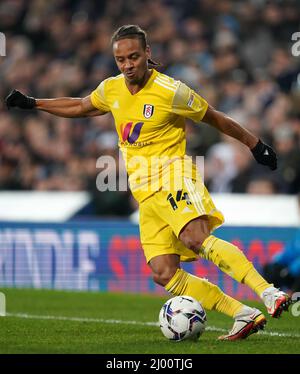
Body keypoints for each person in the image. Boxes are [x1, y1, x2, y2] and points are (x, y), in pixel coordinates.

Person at [5, 25, 292, 341]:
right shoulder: (112, 89)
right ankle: (243, 314)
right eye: (120, 59)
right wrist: (34, 103)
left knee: (195, 237)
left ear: (147, 54)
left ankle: (268, 292)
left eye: (133, 57)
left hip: (173, 176)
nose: (127, 65)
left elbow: (215, 117)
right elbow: (80, 105)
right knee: (163, 273)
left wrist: (255, 144)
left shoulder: (171, 91)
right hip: (145, 193)